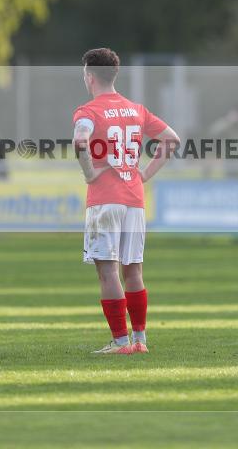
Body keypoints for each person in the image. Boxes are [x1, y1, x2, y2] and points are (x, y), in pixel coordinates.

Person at [72, 48, 180, 354]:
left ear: (89, 76)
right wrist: (144, 173)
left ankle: (120, 342)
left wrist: (90, 173)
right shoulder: (136, 109)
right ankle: (140, 341)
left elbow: (80, 141)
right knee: (133, 270)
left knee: (108, 271)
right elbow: (172, 139)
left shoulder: (88, 112)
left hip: (105, 199)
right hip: (134, 197)